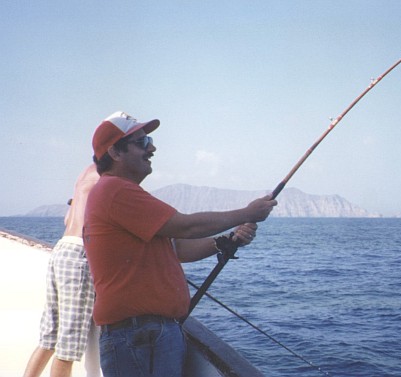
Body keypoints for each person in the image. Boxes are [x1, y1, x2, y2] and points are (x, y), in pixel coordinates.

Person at [83, 111, 277, 377]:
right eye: (141, 142)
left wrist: (228, 241)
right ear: (115, 152)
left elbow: (179, 249)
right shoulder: (115, 191)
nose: (152, 147)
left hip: (148, 335)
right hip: (137, 336)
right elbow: (186, 226)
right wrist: (247, 213)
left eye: (148, 139)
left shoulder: (124, 194)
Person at [23, 164, 101, 377]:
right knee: (69, 345)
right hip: (80, 255)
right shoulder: (107, 175)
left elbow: (68, 219)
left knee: (50, 337)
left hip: (63, 248)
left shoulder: (86, 174)